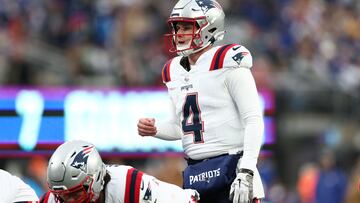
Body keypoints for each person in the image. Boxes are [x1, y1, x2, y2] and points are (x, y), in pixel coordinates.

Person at [137, 0, 265, 202]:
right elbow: (183, 128)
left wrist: (247, 170)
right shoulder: (173, 71)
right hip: (195, 174)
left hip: (233, 169)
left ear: (209, 26)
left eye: (187, 26)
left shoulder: (228, 61)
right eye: (178, 27)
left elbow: (253, 119)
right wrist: (156, 129)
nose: (180, 33)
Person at [40, 140, 200, 203]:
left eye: (75, 195)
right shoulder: (50, 201)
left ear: (95, 181)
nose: (70, 202)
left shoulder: (131, 188)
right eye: (63, 196)